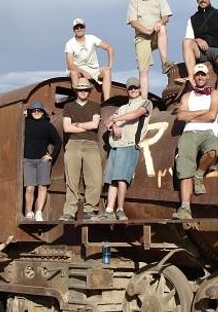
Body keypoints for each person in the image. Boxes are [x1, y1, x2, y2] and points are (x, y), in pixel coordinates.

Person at [94, 77, 153, 221]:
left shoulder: (146, 103)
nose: (133, 90)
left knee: (121, 178)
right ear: (127, 91)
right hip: (115, 146)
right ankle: (109, 210)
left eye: (135, 88)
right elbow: (107, 122)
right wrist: (114, 125)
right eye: (130, 88)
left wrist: (116, 120)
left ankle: (120, 209)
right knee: (112, 179)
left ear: (139, 89)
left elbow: (135, 115)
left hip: (129, 145)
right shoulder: (122, 108)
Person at [173, 64, 218, 220]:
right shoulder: (187, 96)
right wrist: (203, 111)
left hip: (208, 132)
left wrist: (192, 115)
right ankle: (185, 208)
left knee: (213, 152)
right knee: (184, 166)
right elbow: (180, 117)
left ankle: (199, 174)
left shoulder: (214, 94)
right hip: (189, 133)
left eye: (203, 75)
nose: (200, 77)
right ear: (194, 78)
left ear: (208, 77)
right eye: (197, 75)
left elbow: (211, 116)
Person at [59, 78, 102, 221]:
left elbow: (95, 125)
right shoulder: (68, 107)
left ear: (89, 91)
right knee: (72, 179)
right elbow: (66, 127)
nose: (83, 92)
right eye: (80, 89)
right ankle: (69, 211)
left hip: (91, 144)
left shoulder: (95, 106)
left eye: (85, 89)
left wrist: (77, 124)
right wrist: (85, 125)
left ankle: (90, 210)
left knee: (95, 179)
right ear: (76, 91)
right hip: (73, 144)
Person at [126, 0, 173, 100]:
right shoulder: (133, 2)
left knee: (162, 28)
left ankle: (165, 62)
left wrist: (159, 22)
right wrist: (145, 31)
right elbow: (133, 22)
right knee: (143, 69)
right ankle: (144, 100)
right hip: (142, 36)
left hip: (156, 32)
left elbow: (166, 16)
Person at [23, 101, 62, 221]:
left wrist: (51, 156)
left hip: (42, 160)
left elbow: (58, 141)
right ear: (31, 112)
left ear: (42, 112)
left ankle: (39, 212)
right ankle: (29, 212)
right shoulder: (25, 123)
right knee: (29, 187)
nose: (36, 112)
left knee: (42, 186)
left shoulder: (47, 125)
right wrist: (22, 114)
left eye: (39, 111)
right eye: (34, 111)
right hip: (28, 160)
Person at [65, 18, 115, 100]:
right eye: (76, 28)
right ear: (73, 30)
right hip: (77, 69)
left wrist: (110, 65)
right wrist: (84, 72)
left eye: (81, 27)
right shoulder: (70, 44)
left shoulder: (91, 38)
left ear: (84, 28)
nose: (79, 29)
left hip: (93, 70)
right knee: (73, 73)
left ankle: (107, 101)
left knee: (107, 71)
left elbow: (109, 47)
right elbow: (70, 65)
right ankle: (78, 99)